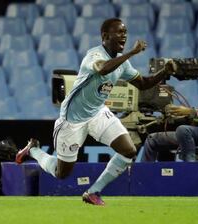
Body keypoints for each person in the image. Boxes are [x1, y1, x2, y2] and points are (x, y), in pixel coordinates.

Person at [15, 18, 176, 205]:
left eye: (125, 32)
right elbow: (102, 69)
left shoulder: (122, 64)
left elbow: (143, 84)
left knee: (129, 150)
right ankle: (33, 149)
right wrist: (132, 52)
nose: (124, 36)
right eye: (119, 32)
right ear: (105, 36)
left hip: (97, 113)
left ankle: (93, 192)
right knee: (62, 173)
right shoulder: (94, 55)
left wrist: (165, 72)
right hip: (72, 119)